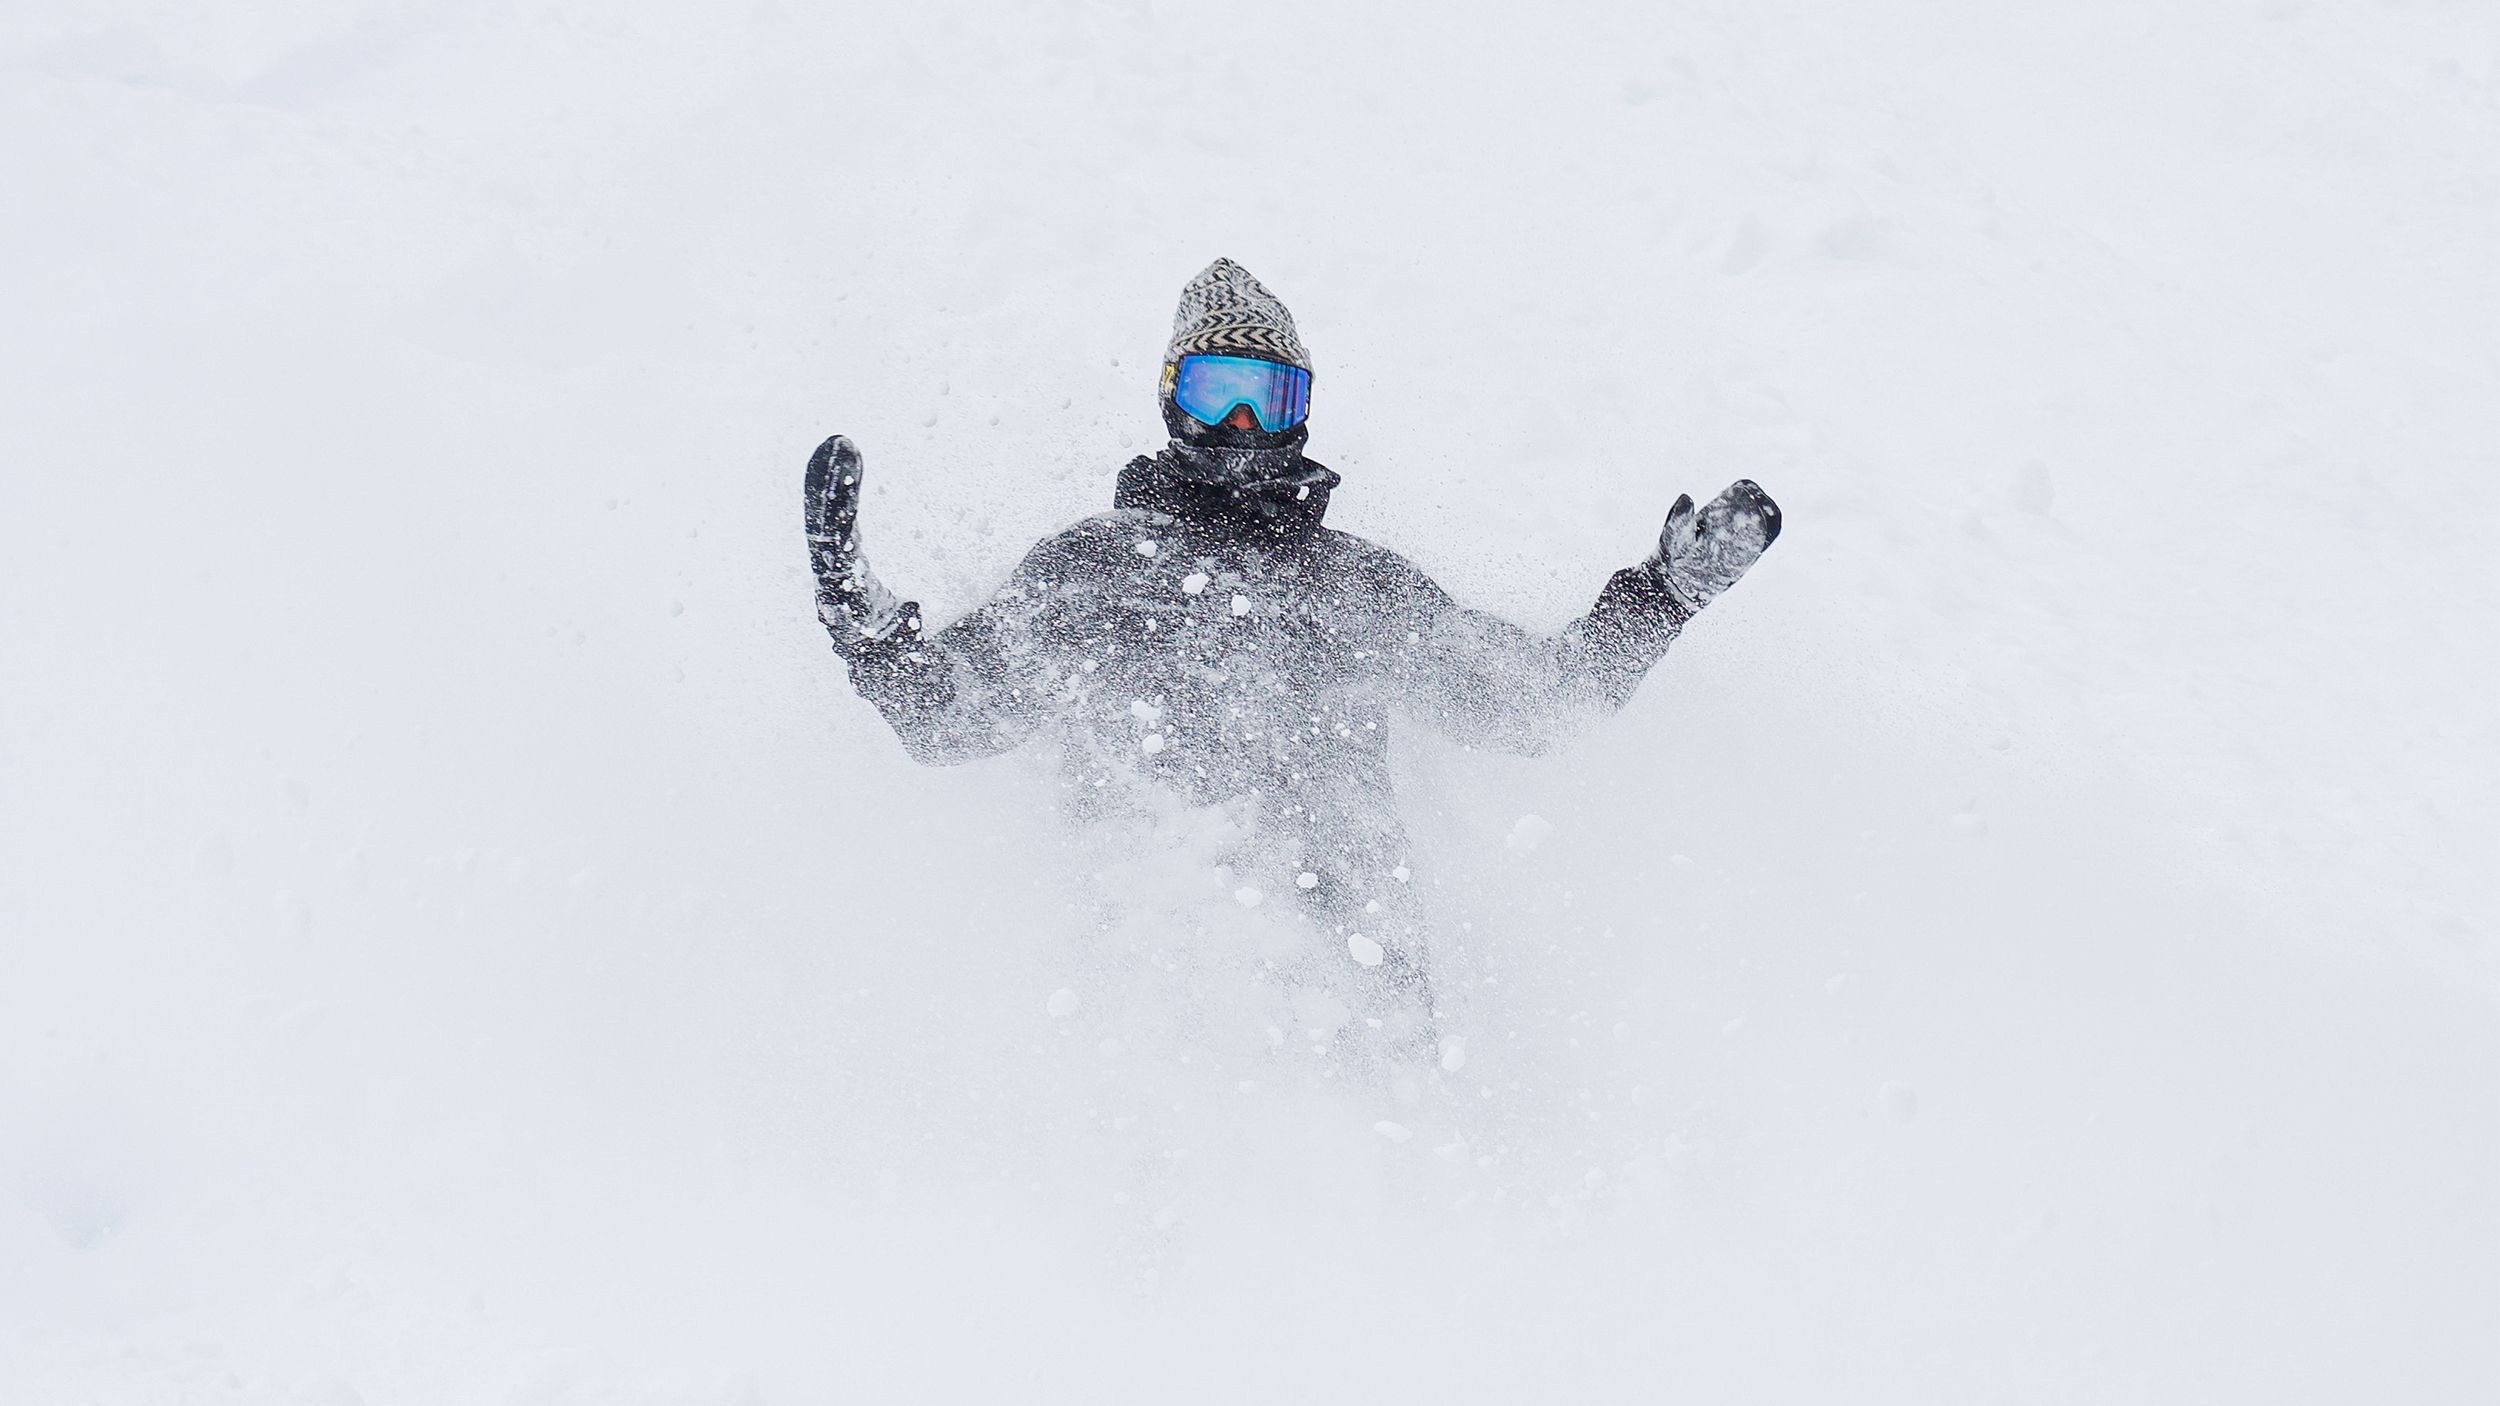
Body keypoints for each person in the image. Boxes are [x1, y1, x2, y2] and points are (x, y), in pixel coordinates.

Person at [805, 258, 1779, 1049]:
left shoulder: (1352, 586)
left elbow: (1534, 706)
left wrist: (1663, 592)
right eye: (1214, 388)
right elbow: (945, 716)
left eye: (1264, 396)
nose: (1238, 423)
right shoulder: (1090, 574)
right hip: (1153, 1009)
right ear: (1169, 401)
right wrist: (861, 615)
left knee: (1372, 1248)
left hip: (1353, 1005)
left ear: (1299, 412)